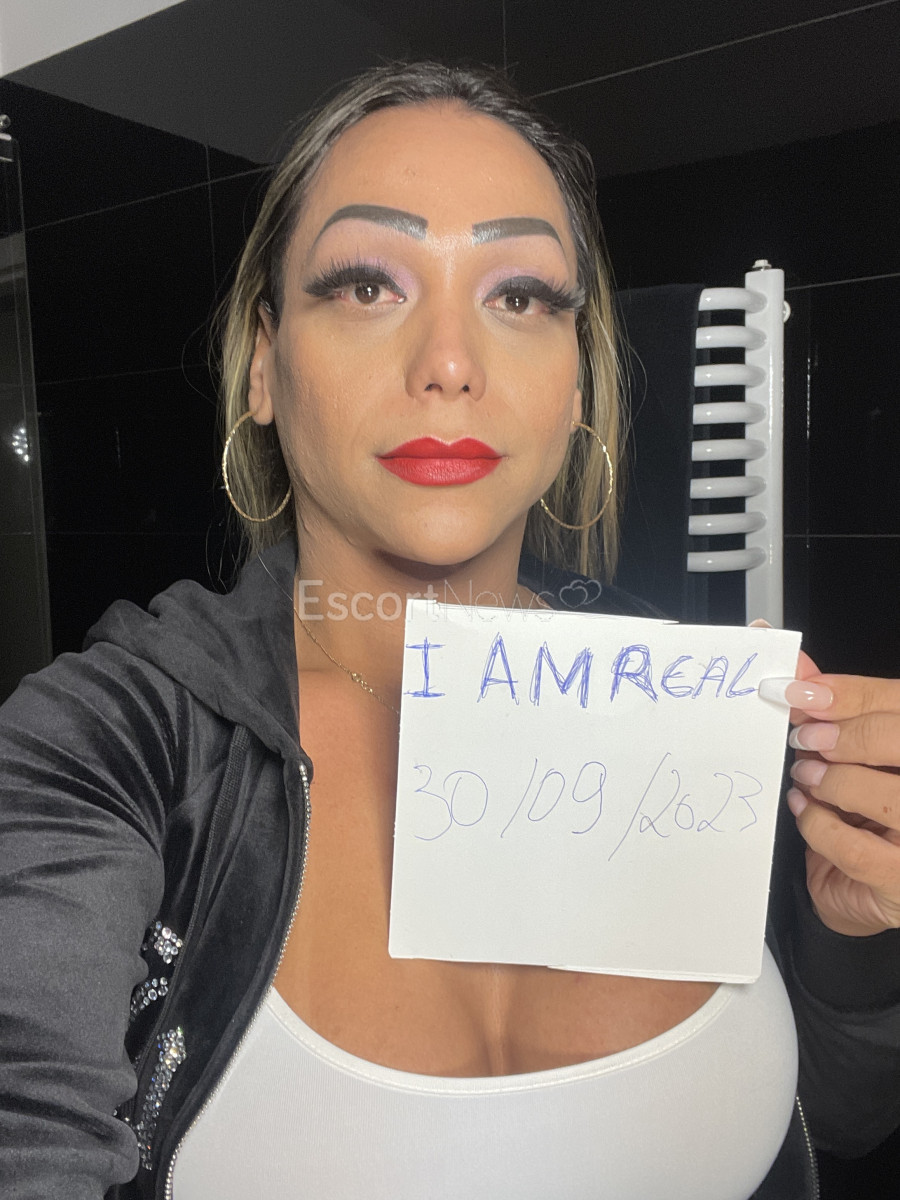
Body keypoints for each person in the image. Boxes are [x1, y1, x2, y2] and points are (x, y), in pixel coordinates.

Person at [1, 60, 899, 1200]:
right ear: (265, 363)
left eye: (519, 296)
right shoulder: (104, 746)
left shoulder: (686, 710)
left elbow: (838, 1118)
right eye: (367, 285)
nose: (450, 365)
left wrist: (854, 937)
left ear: (576, 385)